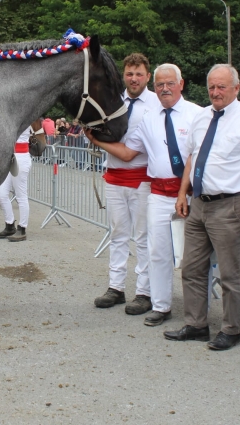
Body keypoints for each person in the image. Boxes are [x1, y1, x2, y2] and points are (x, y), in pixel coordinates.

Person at [88, 63, 202, 326]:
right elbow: (127, 150)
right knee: (136, 241)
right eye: (129, 73)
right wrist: (95, 140)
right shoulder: (132, 109)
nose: (164, 88)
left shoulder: (186, 111)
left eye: (169, 83)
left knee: (176, 249)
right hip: (138, 184)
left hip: (165, 185)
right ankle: (134, 294)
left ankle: (154, 296)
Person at [165, 64, 240, 351]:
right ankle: (196, 325)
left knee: (231, 274)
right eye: (212, 86)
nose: (215, 92)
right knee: (192, 269)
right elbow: (192, 159)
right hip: (199, 203)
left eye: (222, 86)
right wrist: (182, 194)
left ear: (236, 88)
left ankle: (231, 329)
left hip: (231, 205)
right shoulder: (201, 117)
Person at [90, 53, 162, 316]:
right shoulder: (114, 99)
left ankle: (144, 292)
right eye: (129, 74)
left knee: (142, 238)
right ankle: (116, 287)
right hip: (115, 176)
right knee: (117, 235)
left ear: (148, 76)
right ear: (124, 75)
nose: (134, 79)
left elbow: (130, 153)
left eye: (139, 74)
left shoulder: (155, 104)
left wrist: (96, 141)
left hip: (141, 177)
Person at [0, 125, 35, 242]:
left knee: (21, 195)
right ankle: (9, 225)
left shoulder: (24, 118)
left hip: (21, 156)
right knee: (1, 194)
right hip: (10, 156)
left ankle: (22, 228)